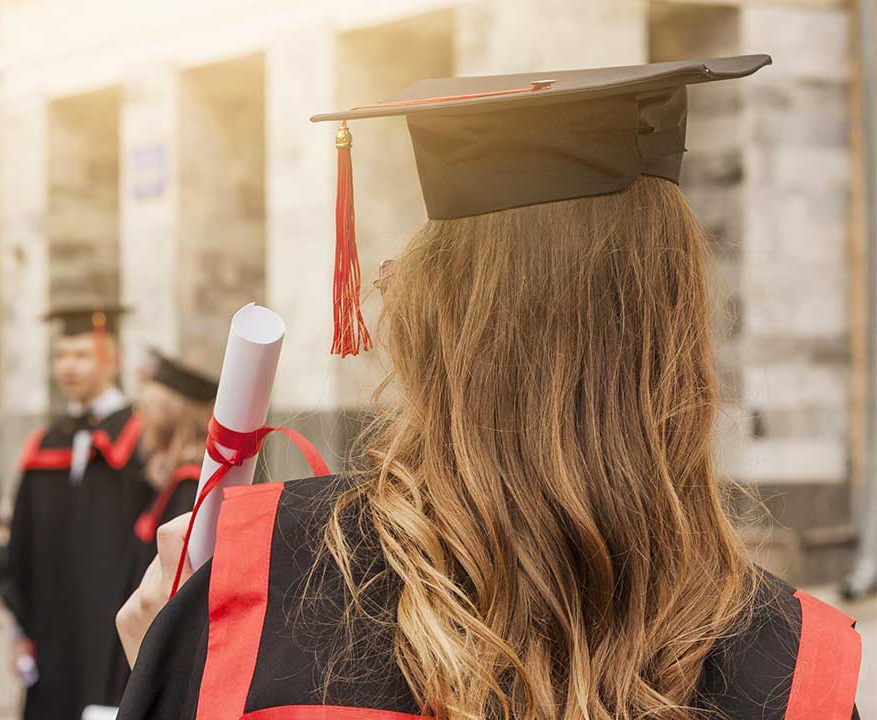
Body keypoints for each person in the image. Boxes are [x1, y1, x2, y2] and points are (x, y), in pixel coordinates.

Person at [115, 55, 863, 719]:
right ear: (679, 340)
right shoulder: (794, 664)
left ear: (432, 322)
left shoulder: (275, 579)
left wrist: (172, 662)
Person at [4, 305, 153, 720]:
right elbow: (21, 545)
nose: (68, 367)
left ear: (113, 360)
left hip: (114, 629)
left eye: (82, 355)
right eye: (61, 355)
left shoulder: (142, 438)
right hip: (52, 633)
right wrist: (20, 629)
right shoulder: (45, 442)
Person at [130, 351, 218, 545]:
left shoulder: (190, 487)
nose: (138, 418)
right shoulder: (173, 478)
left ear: (168, 419)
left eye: (145, 409)